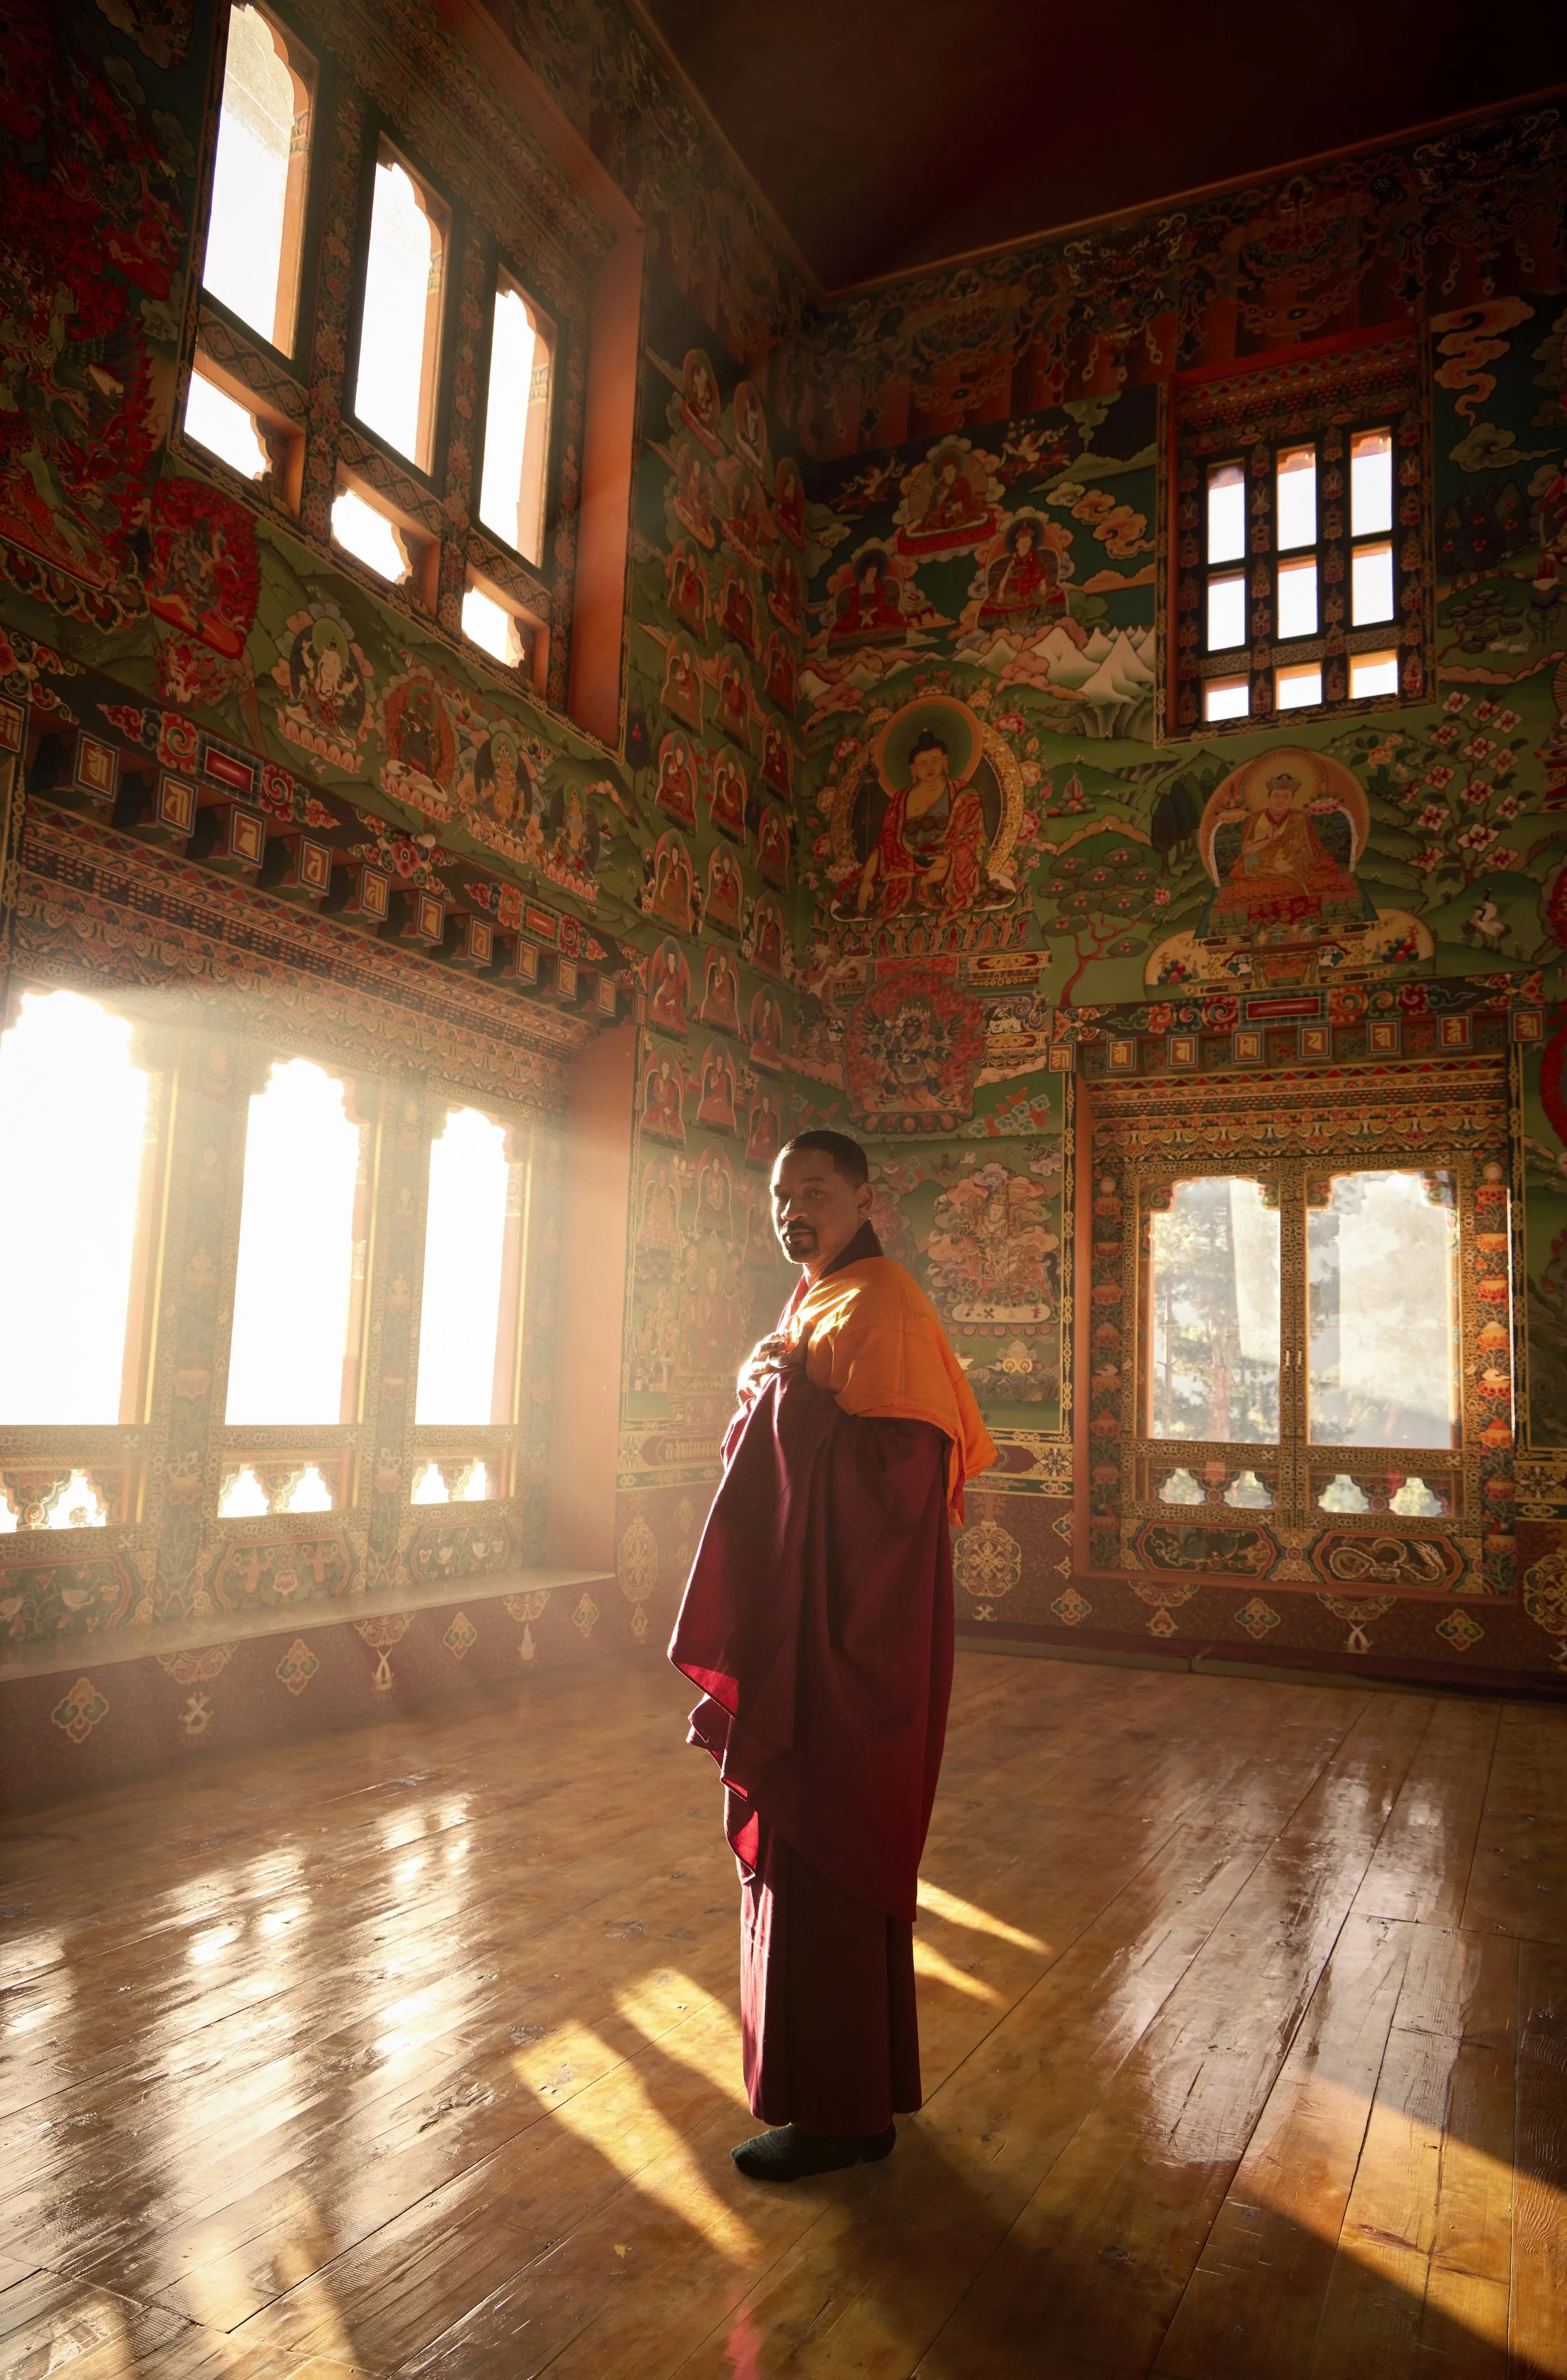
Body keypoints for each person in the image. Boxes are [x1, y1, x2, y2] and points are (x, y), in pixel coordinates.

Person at [669, 1130, 995, 2183]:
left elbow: (899, 1479)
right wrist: (768, 1390)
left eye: (815, 1190)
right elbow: (788, 1431)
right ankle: (843, 2099)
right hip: (811, 1629)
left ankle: (842, 2116)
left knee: (829, 1859)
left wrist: (788, 1401)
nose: (793, 1210)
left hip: (856, 1646)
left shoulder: (883, 1304)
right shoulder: (818, 1302)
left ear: (865, 1195)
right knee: (805, 1866)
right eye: (780, 1193)